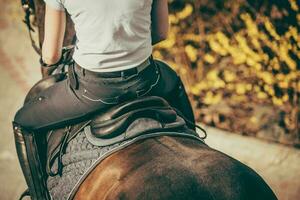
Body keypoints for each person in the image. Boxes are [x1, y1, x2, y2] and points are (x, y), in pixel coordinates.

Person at [14, 0, 195, 130]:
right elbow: (161, 32)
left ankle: (39, 185)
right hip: (147, 80)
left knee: (22, 121)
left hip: (92, 92)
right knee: (174, 81)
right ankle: (194, 140)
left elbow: (51, 55)